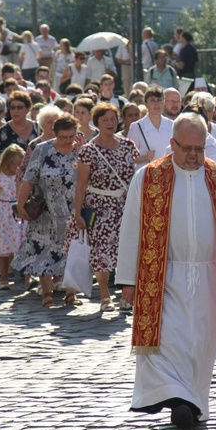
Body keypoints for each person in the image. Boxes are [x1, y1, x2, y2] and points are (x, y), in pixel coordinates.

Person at [115, 111, 216, 429]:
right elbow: (131, 228)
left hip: (207, 276)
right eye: (187, 148)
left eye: (199, 148)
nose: (193, 155)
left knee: (202, 341)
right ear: (172, 144)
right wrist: (127, 279)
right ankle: (178, 398)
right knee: (170, 339)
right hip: (161, 276)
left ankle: (193, 400)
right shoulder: (148, 177)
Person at [71, 102, 138, 312]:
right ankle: (105, 295)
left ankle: (127, 297)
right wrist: (78, 212)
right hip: (100, 208)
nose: (110, 123)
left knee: (128, 251)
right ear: (97, 123)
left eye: (112, 118)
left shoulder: (128, 145)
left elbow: (134, 176)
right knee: (102, 253)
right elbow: (81, 184)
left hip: (126, 206)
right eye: (105, 120)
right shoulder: (89, 151)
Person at [13, 115, 80, 307]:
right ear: (54, 134)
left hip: (73, 212)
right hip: (46, 210)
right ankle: (47, 293)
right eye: (63, 137)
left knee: (71, 252)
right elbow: (29, 178)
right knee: (45, 250)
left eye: (71, 136)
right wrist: (20, 204)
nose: (68, 141)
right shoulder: (43, 150)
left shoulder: (80, 150)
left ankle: (70, 293)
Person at [0, 144, 26, 290]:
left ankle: (28, 277)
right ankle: (3, 279)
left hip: (19, 211)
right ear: (8, 162)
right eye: (16, 164)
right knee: (3, 248)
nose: (18, 167)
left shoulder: (21, 176)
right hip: (3, 213)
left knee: (24, 244)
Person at [127, 85, 173, 170]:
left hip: (167, 174)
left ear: (163, 103)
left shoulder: (172, 125)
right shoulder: (136, 127)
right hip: (145, 174)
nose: (156, 104)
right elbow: (128, 156)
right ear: (146, 104)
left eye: (159, 100)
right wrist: (144, 158)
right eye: (152, 100)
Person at [0, 91, 39, 165]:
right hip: (10, 175)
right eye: (12, 107)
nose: (15, 111)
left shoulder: (38, 128)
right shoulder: (2, 132)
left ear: (27, 109)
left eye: (19, 107)